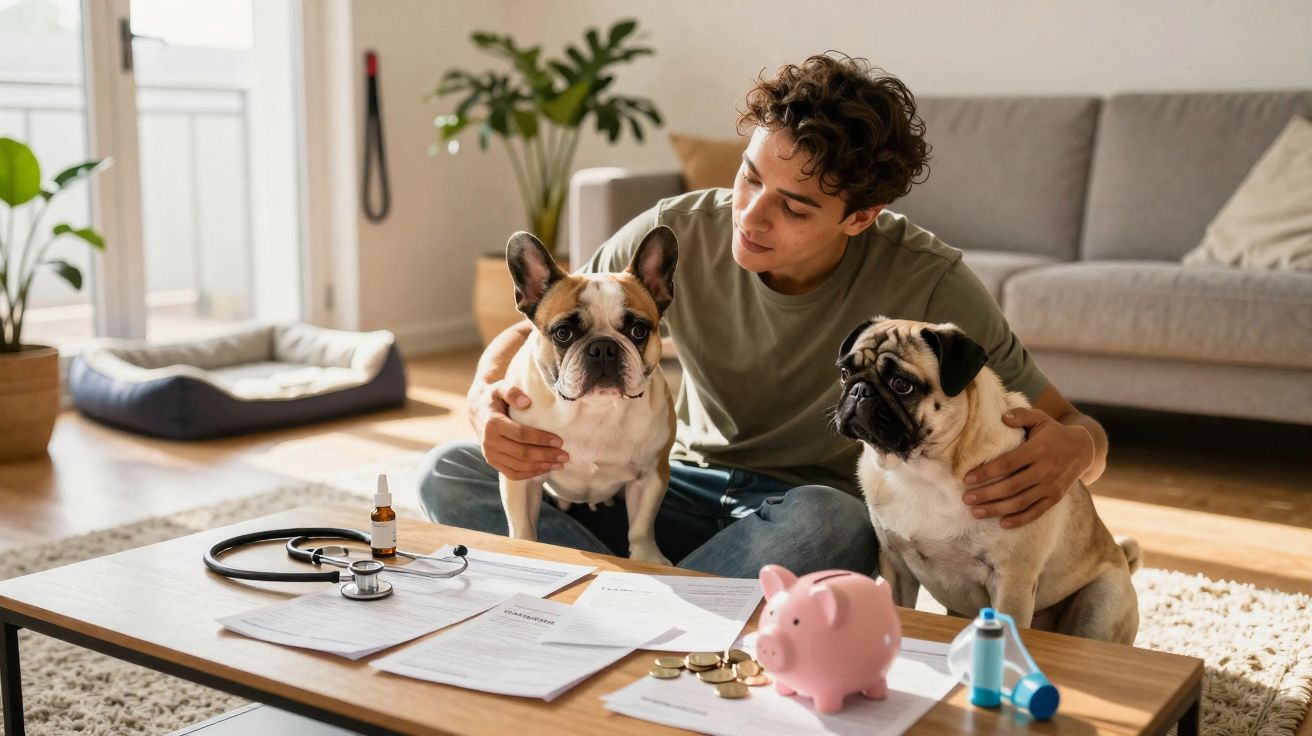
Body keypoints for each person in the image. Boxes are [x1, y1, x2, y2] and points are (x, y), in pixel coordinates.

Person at [418, 53, 1107, 578]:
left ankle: (606, 592)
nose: (749, 215)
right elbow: (540, 321)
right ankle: (665, 591)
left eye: (794, 205)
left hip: (799, 505)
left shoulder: (928, 278)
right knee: (448, 469)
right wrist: (485, 401)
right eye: (750, 176)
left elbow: (1076, 428)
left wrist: (1079, 451)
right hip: (670, 481)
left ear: (861, 217)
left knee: (837, 527)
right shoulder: (672, 229)